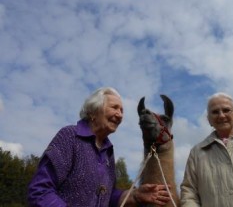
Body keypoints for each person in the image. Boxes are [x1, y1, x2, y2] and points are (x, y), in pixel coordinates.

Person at [28, 87, 171, 207]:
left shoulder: (107, 151)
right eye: (114, 108)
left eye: (122, 111)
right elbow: (40, 191)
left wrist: (135, 195)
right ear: (93, 111)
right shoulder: (70, 137)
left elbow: (108, 196)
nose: (120, 115)